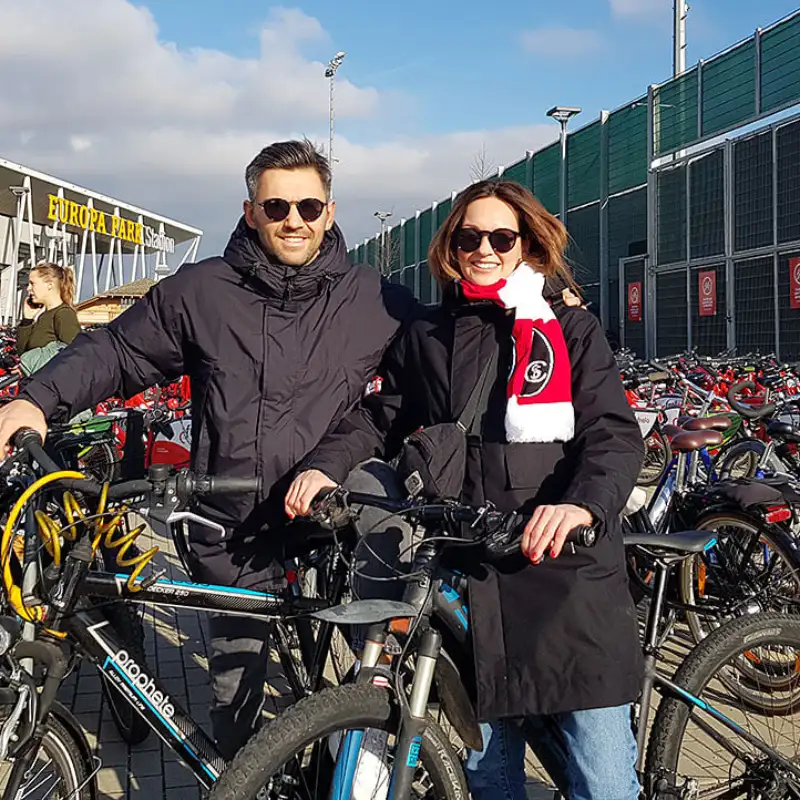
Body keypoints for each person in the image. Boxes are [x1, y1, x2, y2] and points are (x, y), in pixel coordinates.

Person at [0, 139, 416, 759]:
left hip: (325, 527)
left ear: (329, 212)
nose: (293, 220)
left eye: (308, 206)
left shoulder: (372, 298)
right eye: (276, 207)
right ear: (250, 211)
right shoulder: (203, 290)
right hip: (233, 528)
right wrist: (37, 399)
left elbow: (421, 386)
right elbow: (119, 352)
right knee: (237, 699)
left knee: (342, 706)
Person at [286, 179, 646, 800]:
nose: (484, 248)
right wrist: (325, 466)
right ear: (451, 246)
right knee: (487, 772)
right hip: (472, 571)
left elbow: (613, 436)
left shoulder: (569, 328)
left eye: (501, 237)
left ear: (525, 244)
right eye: (469, 236)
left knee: (603, 778)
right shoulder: (431, 333)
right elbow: (380, 416)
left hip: (566, 570)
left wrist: (580, 503)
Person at [16, 262, 80, 360]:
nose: (28, 289)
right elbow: (23, 355)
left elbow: (75, 355)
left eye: (32, 284)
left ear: (49, 285)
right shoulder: (44, 316)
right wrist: (27, 320)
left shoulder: (64, 314)